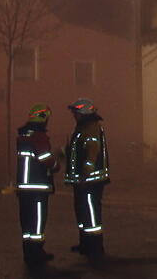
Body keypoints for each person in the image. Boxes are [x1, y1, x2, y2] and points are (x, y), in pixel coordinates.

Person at [65, 98, 110, 259]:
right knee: (82, 212)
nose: (74, 115)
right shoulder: (82, 128)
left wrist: (85, 175)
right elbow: (76, 150)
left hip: (90, 181)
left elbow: (91, 154)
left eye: (76, 113)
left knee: (90, 214)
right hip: (83, 180)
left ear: (83, 114)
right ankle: (85, 243)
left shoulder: (90, 129)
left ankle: (95, 246)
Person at [15, 103, 60, 266]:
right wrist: (57, 162)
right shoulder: (39, 137)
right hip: (37, 187)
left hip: (24, 188)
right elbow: (45, 159)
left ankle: (28, 253)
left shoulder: (23, 136)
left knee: (27, 222)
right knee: (37, 221)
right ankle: (37, 253)